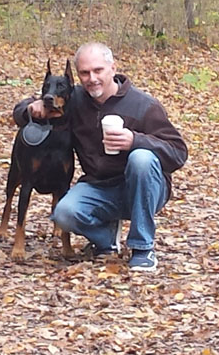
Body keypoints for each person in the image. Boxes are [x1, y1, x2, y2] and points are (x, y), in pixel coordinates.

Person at [13, 42, 187, 271]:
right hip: (99, 186)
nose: (91, 79)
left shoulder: (143, 105)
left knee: (141, 158)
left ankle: (143, 248)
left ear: (113, 68)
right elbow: (20, 113)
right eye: (84, 73)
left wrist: (135, 140)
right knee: (63, 213)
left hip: (144, 187)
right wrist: (31, 107)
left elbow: (178, 151)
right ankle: (106, 239)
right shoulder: (75, 100)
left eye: (98, 70)